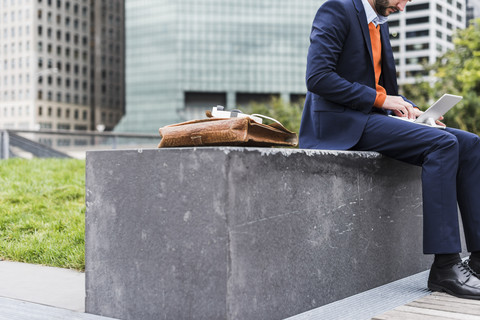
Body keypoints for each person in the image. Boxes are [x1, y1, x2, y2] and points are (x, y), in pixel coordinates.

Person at [299, 0, 480, 300]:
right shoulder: (336, 9)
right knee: (443, 144)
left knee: (471, 143)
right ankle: (446, 267)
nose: (403, 6)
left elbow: (383, 89)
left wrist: (411, 109)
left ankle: (478, 260)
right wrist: (383, 102)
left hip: (371, 117)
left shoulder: (378, 24)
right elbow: (318, 77)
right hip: (339, 124)